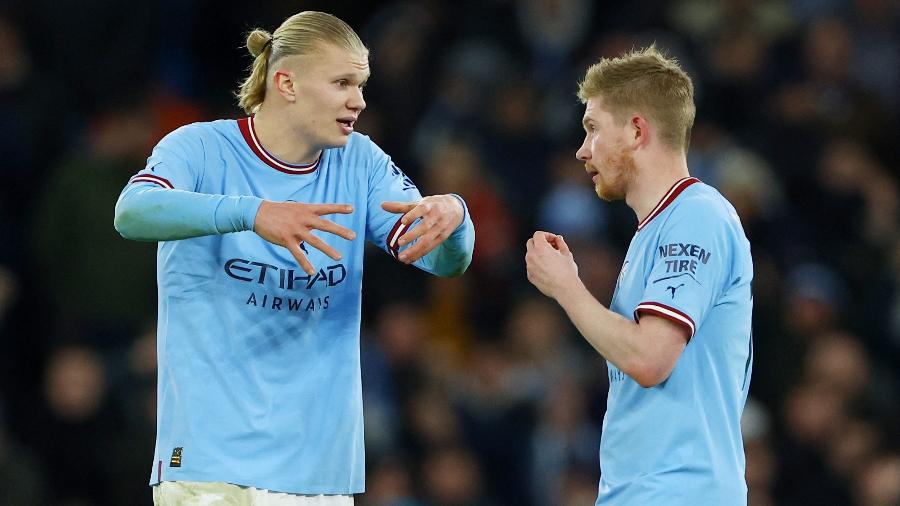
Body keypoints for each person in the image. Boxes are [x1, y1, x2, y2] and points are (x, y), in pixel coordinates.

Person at [114, 11, 475, 505]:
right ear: (287, 82)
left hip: (319, 474)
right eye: (343, 82)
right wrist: (253, 213)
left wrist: (456, 216)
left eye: (362, 84)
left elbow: (444, 262)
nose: (360, 100)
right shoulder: (199, 148)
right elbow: (132, 212)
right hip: (209, 464)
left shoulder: (360, 162)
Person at [525, 46, 753, 505]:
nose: (582, 149)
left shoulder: (698, 216)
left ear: (635, 130)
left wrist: (566, 287)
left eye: (592, 128)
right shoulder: (655, 231)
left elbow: (650, 359)